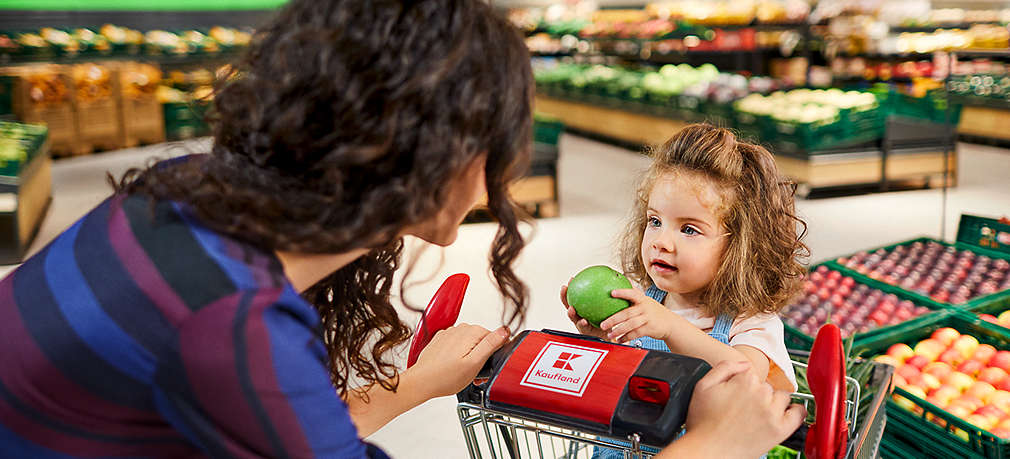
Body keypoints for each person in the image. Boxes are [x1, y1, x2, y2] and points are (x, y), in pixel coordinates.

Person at [0, 1, 802, 457]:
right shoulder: (231, 323)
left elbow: (273, 423)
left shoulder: (180, 201)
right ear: (447, 156)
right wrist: (713, 449)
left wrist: (410, 385)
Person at [562, 124, 808, 456]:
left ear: (741, 246)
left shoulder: (751, 323)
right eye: (654, 221)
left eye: (689, 229)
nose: (662, 242)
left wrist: (669, 326)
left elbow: (744, 380)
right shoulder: (641, 303)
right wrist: (603, 340)